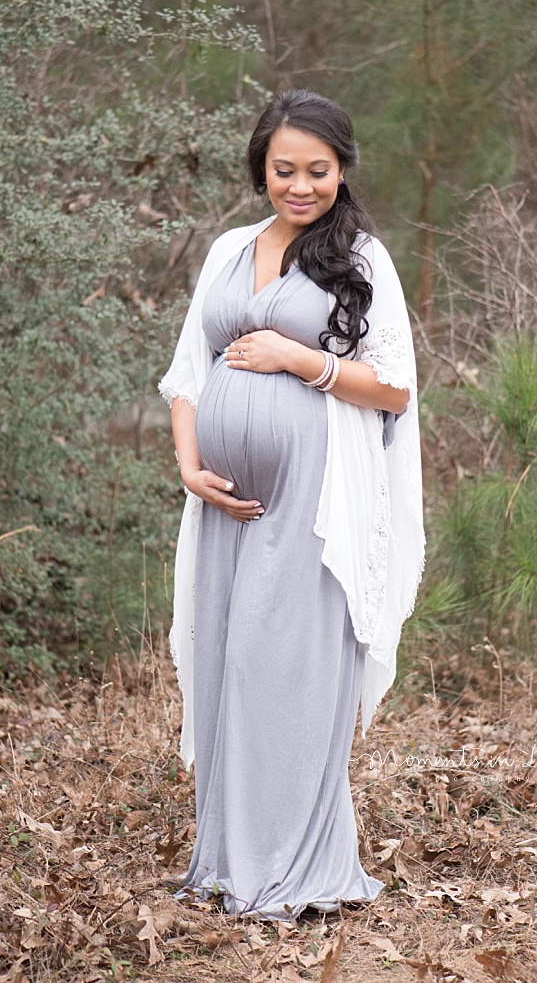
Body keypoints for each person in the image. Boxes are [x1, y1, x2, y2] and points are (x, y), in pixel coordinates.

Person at [158, 89, 424, 921]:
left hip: (314, 504)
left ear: (342, 170)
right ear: (260, 169)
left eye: (317, 169)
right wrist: (188, 464)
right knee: (229, 666)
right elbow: (187, 374)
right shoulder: (229, 250)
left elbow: (394, 389)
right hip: (225, 505)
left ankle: (299, 865)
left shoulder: (362, 261)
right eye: (284, 169)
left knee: (289, 674)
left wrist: (296, 361)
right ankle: (231, 860)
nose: (300, 185)